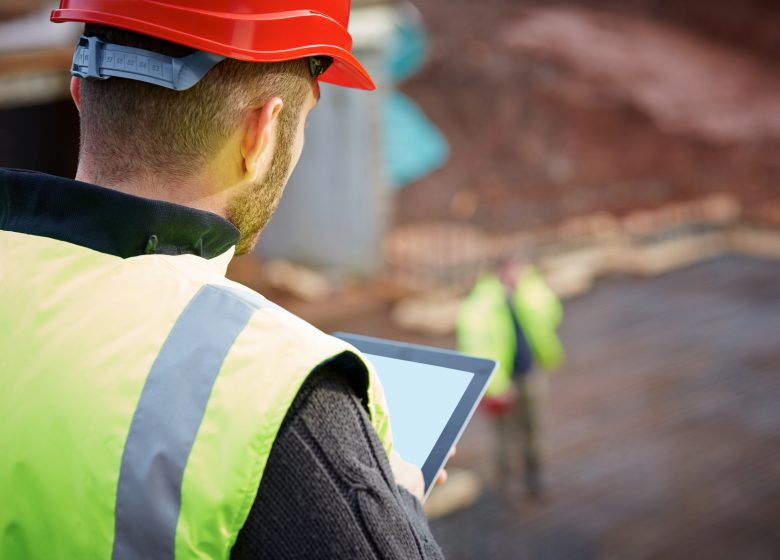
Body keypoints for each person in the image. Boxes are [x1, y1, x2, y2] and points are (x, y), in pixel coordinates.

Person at [0, 1, 444, 558]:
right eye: (301, 124)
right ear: (260, 134)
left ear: (80, 94)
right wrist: (397, 502)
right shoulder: (274, 385)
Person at [457, 259, 565, 496]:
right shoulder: (480, 306)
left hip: (529, 374)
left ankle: (535, 475)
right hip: (501, 384)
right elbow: (473, 348)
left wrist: (530, 288)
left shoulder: (528, 292)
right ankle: (504, 485)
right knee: (504, 437)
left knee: (534, 428)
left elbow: (553, 313)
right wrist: (494, 387)